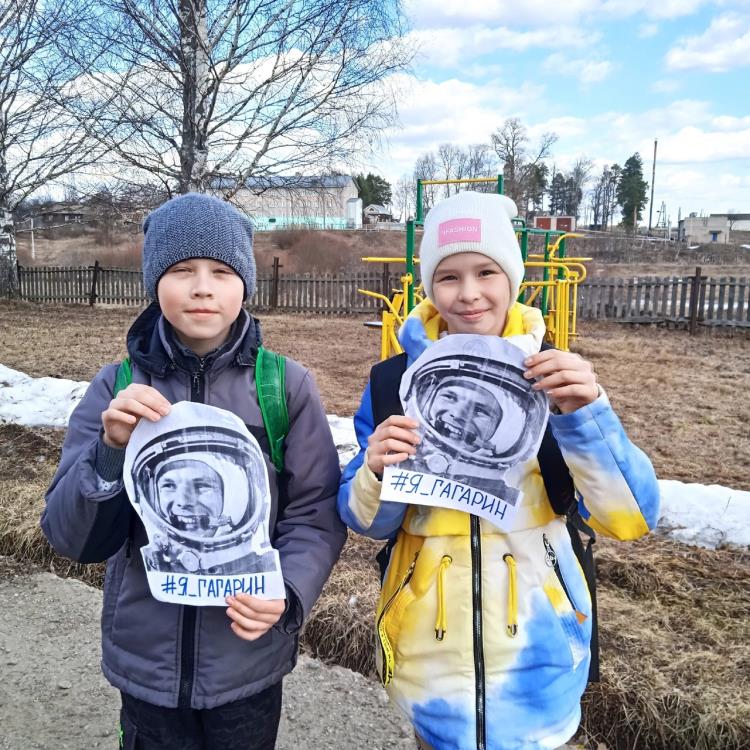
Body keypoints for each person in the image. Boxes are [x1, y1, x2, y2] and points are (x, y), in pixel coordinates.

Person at [338, 190, 660, 750]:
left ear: (512, 276)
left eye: (486, 272)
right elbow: (367, 522)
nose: (468, 293)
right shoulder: (393, 381)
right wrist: (374, 471)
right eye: (448, 276)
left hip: (540, 667)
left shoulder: (557, 378)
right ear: (429, 285)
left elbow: (629, 519)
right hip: (429, 667)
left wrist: (588, 417)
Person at [42, 193, 346, 750]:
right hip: (146, 666)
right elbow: (71, 539)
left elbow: (314, 513)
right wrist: (110, 451)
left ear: (245, 285)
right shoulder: (115, 388)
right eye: (182, 269)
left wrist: (288, 591)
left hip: (247, 661)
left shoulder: (284, 388)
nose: (202, 287)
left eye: (222, 272)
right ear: (154, 281)